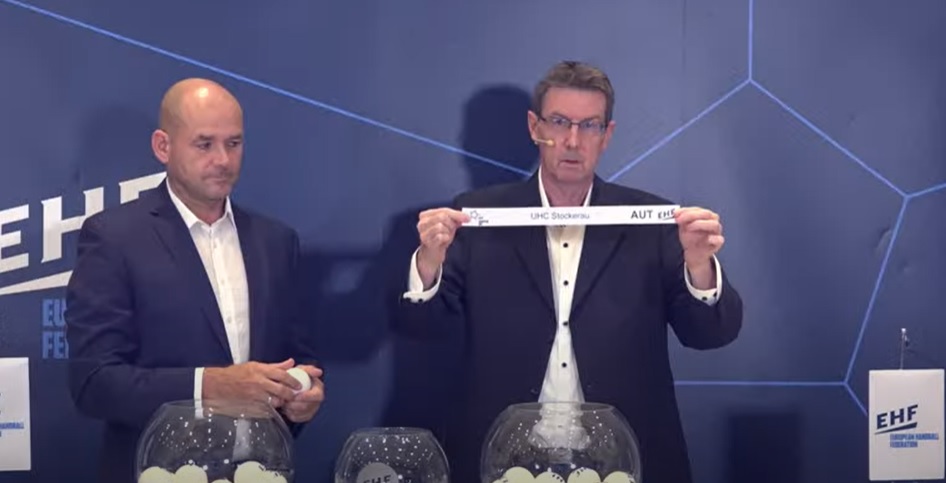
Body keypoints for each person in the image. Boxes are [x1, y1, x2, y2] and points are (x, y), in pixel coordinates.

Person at [391, 61, 743, 483]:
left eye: (589, 126)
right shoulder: (474, 216)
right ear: (534, 127)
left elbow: (710, 334)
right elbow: (422, 329)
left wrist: (699, 264)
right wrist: (429, 261)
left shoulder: (652, 220)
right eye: (559, 122)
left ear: (607, 135)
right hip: (501, 464)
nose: (573, 141)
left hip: (623, 465)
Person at [65, 78, 324, 482]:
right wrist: (211, 385)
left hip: (259, 471)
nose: (223, 159)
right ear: (163, 147)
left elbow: (298, 356)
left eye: (233, 143)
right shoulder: (114, 238)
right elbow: (94, 382)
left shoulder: (276, 241)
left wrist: (303, 394)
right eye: (204, 144)